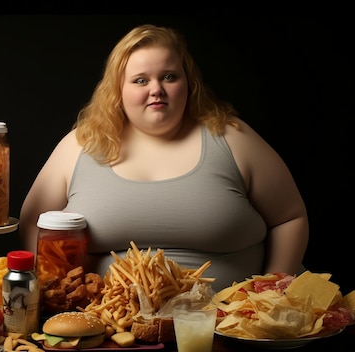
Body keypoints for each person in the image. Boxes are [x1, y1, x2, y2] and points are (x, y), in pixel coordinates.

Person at [19, 24, 308, 291]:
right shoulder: (80, 144)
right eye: (140, 80)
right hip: (104, 328)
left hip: (226, 327)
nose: (156, 89)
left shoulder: (232, 137)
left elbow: (289, 218)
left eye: (169, 76)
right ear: (118, 91)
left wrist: (273, 292)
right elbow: (32, 220)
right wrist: (51, 293)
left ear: (188, 82)